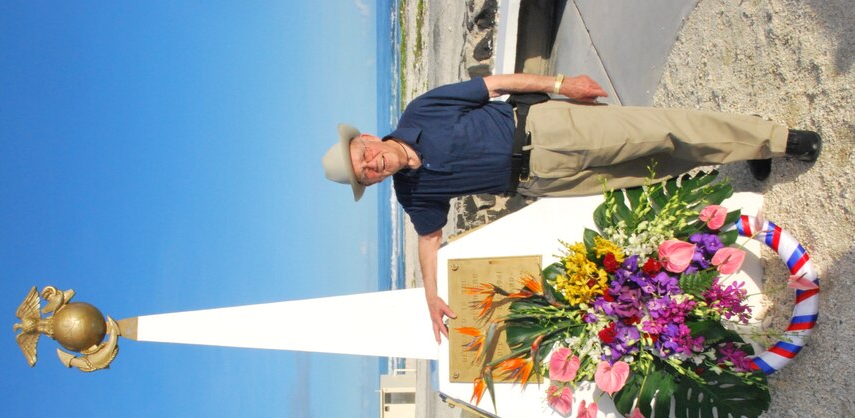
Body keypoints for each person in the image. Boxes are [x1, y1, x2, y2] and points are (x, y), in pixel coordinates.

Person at [321, 73, 822, 343]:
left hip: (547, 127)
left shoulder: (421, 111)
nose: (372, 164)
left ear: (367, 138)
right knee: (653, 169)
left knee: (656, 130)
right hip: (544, 180)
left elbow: (494, 85)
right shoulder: (413, 194)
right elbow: (428, 240)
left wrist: (561, 86)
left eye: (365, 155)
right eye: (365, 172)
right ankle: (747, 144)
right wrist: (431, 297)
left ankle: (778, 139)